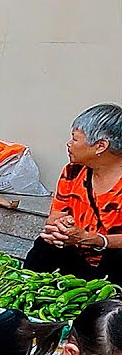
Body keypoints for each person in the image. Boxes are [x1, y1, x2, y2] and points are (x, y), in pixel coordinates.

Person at [25, 104, 122, 284]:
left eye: (75, 139)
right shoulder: (73, 172)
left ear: (101, 146)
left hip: (112, 262)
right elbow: (55, 217)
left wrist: (96, 240)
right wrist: (63, 226)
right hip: (79, 255)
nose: (69, 144)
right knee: (45, 245)